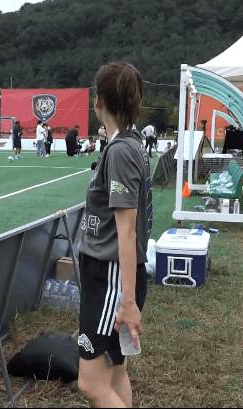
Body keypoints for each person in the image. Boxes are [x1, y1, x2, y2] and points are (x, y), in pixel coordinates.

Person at [76, 61, 152, 409]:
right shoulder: (128, 144)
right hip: (110, 276)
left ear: (98, 101)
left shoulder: (121, 151)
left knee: (91, 383)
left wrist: (128, 301)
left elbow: (128, 231)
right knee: (116, 373)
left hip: (111, 278)